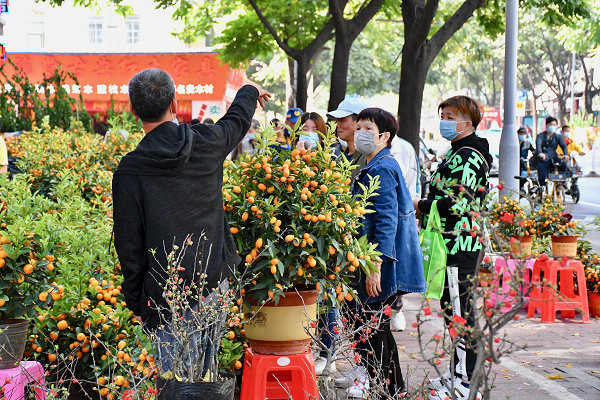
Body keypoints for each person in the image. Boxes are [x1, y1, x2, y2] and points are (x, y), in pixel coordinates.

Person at [112, 68, 271, 373]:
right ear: (174, 103)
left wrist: (138, 304)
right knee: (206, 375)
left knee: (175, 383)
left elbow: (128, 245)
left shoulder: (130, 170)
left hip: (164, 295)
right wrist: (249, 89)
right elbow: (236, 121)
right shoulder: (206, 142)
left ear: (133, 110)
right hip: (213, 284)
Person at [339, 107, 426, 398]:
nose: (360, 133)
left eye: (367, 129)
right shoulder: (373, 163)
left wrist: (373, 266)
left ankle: (389, 390)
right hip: (370, 259)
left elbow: (386, 221)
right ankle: (391, 389)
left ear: (384, 136)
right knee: (369, 327)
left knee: (372, 329)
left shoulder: (383, 167)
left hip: (378, 263)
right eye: (359, 127)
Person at [413, 96, 491, 400]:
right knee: (454, 311)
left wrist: (422, 204)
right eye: (442, 115)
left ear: (467, 122)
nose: (444, 121)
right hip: (454, 243)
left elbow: (460, 202)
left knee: (460, 313)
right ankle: (459, 372)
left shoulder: (468, 155)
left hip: (459, 244)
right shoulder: (459, 151)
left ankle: (465, 383)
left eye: (450, 116)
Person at [327, 98, 370, 180]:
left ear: (359, 122)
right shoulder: (339, 159)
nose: (337, 125)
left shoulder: (369, 158)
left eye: (342, 120)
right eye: (337, 120)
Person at [536, 116, 568, 187]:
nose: (553, 126)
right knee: (542, 176)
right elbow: (538, 146)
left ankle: (562, 183)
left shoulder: (557, 137)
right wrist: (540, 153)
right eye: (551, 125)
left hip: (553, 157)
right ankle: (541, 189)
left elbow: (564, 146)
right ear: (547, 125)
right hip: (543, 159)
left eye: (554, 125)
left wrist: (566, 154)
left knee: (563, 164)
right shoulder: (540, 136)